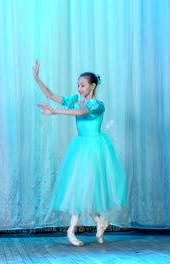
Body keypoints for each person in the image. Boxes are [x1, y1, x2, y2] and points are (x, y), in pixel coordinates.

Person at [33, 60, 127, 246]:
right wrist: (37, 79)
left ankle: (72, 230)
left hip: (94, 149)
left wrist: (55, 112)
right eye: (78, 85)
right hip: (80, 147)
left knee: (83, 186)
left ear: (92, 86)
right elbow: (52, 95)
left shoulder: (97, 105)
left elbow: (82, 113)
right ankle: (100, 221)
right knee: (82, 188)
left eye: (82, 85)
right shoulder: (76, 100)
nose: (79, 88)